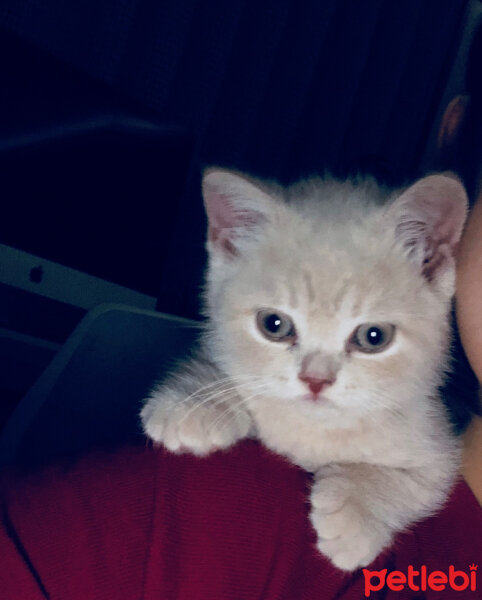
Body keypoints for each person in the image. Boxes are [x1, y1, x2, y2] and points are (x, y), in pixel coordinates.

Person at [1, 24, 482, 600]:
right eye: (277, 326)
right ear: (226, 246)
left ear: (432, 262)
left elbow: (423, 471)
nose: (316, 377)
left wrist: (370, 495)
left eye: (372, 336)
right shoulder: (172, 518)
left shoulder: (423, 459)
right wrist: (211, 393)